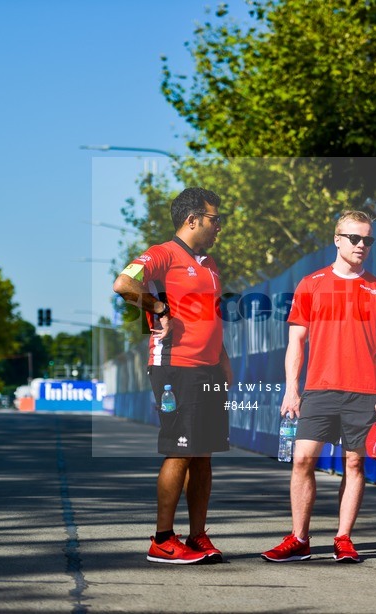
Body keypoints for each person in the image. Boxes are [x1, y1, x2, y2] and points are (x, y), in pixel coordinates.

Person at [262, 210, 376, 564]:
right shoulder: (311, 284)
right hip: (319, 389)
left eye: (368, 240)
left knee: (354, 464)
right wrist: (292, 389)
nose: (361, 245)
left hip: (364, 391)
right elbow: (297, 342)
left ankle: (344, 538)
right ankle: (299, 539)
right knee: (303, 459)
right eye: (354, 238)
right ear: (337, 240)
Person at [113, 187, 232, 565]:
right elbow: (123, 284)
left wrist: (223, 361)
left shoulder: (211, 263)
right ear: (192, 219)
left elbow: (211, 319)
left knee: (203, 454)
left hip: (208, 367)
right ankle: (163, 539)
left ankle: (197, 537)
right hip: (174, 365)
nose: (219, 227)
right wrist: (158, 305)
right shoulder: (163, 253)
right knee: (180, 450)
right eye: (216, 219)